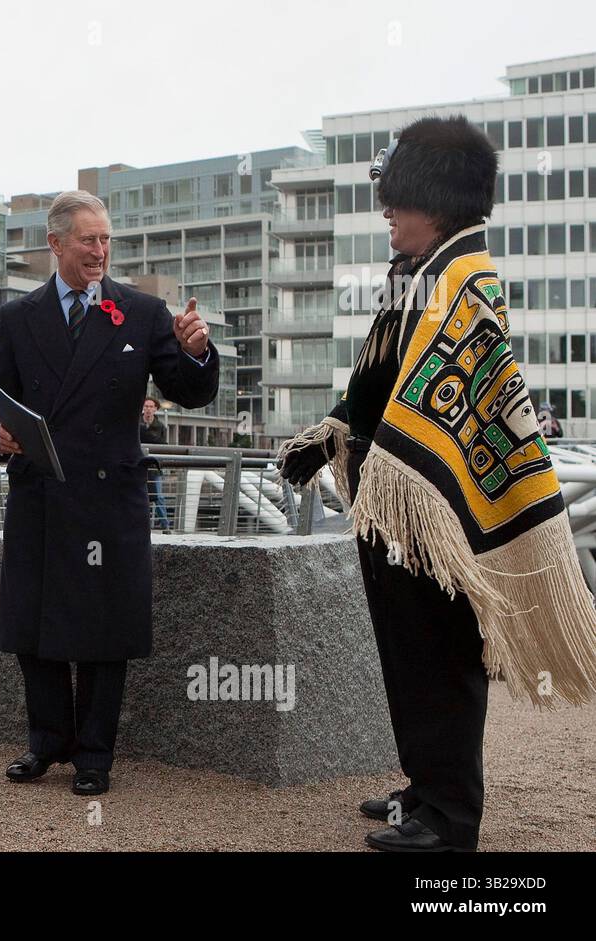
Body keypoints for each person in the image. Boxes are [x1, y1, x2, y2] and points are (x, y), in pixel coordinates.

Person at [278, 115, 596, 852]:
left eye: (398, 198)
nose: (386, 211)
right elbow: (378, 386)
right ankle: (422, 789)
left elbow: (447, 398)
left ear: (437, 200)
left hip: (438, 505)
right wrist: (329, 434)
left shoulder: (463, 276)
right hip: (396, 506)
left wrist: (394, 468)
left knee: (442, 658)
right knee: (408, 654)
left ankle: (450, 819)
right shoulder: (414, 279)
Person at [0, 191, 219, 796]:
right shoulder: (18, 317)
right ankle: (45, 742)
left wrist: (197, 353)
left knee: (103, 627)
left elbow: (189, 390)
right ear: (55, 244)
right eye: (88, 240)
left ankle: (94, 754)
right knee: (33, 622)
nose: (100, 251)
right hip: (40, 492)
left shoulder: (141, 311)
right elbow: (0, 399)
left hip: (108, 497)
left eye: (106, 239)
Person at [140, 396, 170, 530]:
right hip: (138, 465)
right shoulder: (135, 423)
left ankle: (165, 526)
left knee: (158, 497)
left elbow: (163, 445)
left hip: (154, 467)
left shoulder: (161, 427)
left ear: (156, 409)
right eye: (146, 406)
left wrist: (144, 434)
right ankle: (140, 525)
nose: (148, 409)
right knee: (139, 496)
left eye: (151, 407)